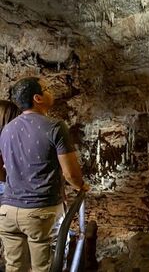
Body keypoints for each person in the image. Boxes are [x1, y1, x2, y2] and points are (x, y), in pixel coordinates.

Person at [0, 77, 89, 272]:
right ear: (37, 98)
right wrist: (81, 186)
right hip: (40, 213)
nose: (51, 92)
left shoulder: (6, 130)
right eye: (47, 89)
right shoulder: (55, 127)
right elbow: (71, 173)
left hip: (7, 212)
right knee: (43, 268)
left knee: (15, 267)